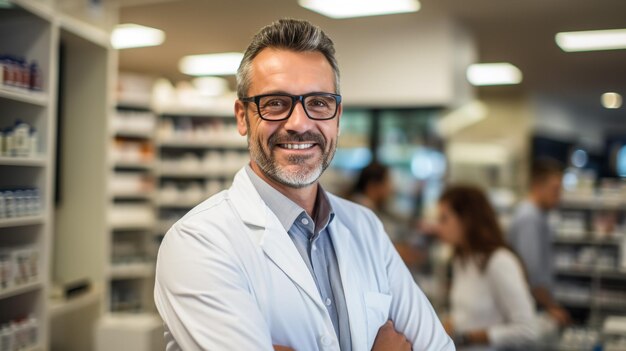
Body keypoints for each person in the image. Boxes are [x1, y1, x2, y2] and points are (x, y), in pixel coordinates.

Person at [154, 18, 453, 351]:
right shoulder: (198, 243)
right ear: (242, 117)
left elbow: (438, 346)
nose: (299, 123)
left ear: (337, 118)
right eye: (276, 103)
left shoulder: (365, 227)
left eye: (319, 103)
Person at [436, 185, 538, 350]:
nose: (438, 227)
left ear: (466, 219)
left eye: (444, 219)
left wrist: (468, 337)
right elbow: (465, 313)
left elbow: (527, 330)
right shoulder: (462, 260)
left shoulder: (499, 261)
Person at [508, 159, 571, 326]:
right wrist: (551, 307)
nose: (559, 196)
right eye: (555, 189)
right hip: (532, 307)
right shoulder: (529, 218)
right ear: (537, 186)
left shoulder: (539, 216)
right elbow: (531, 271)